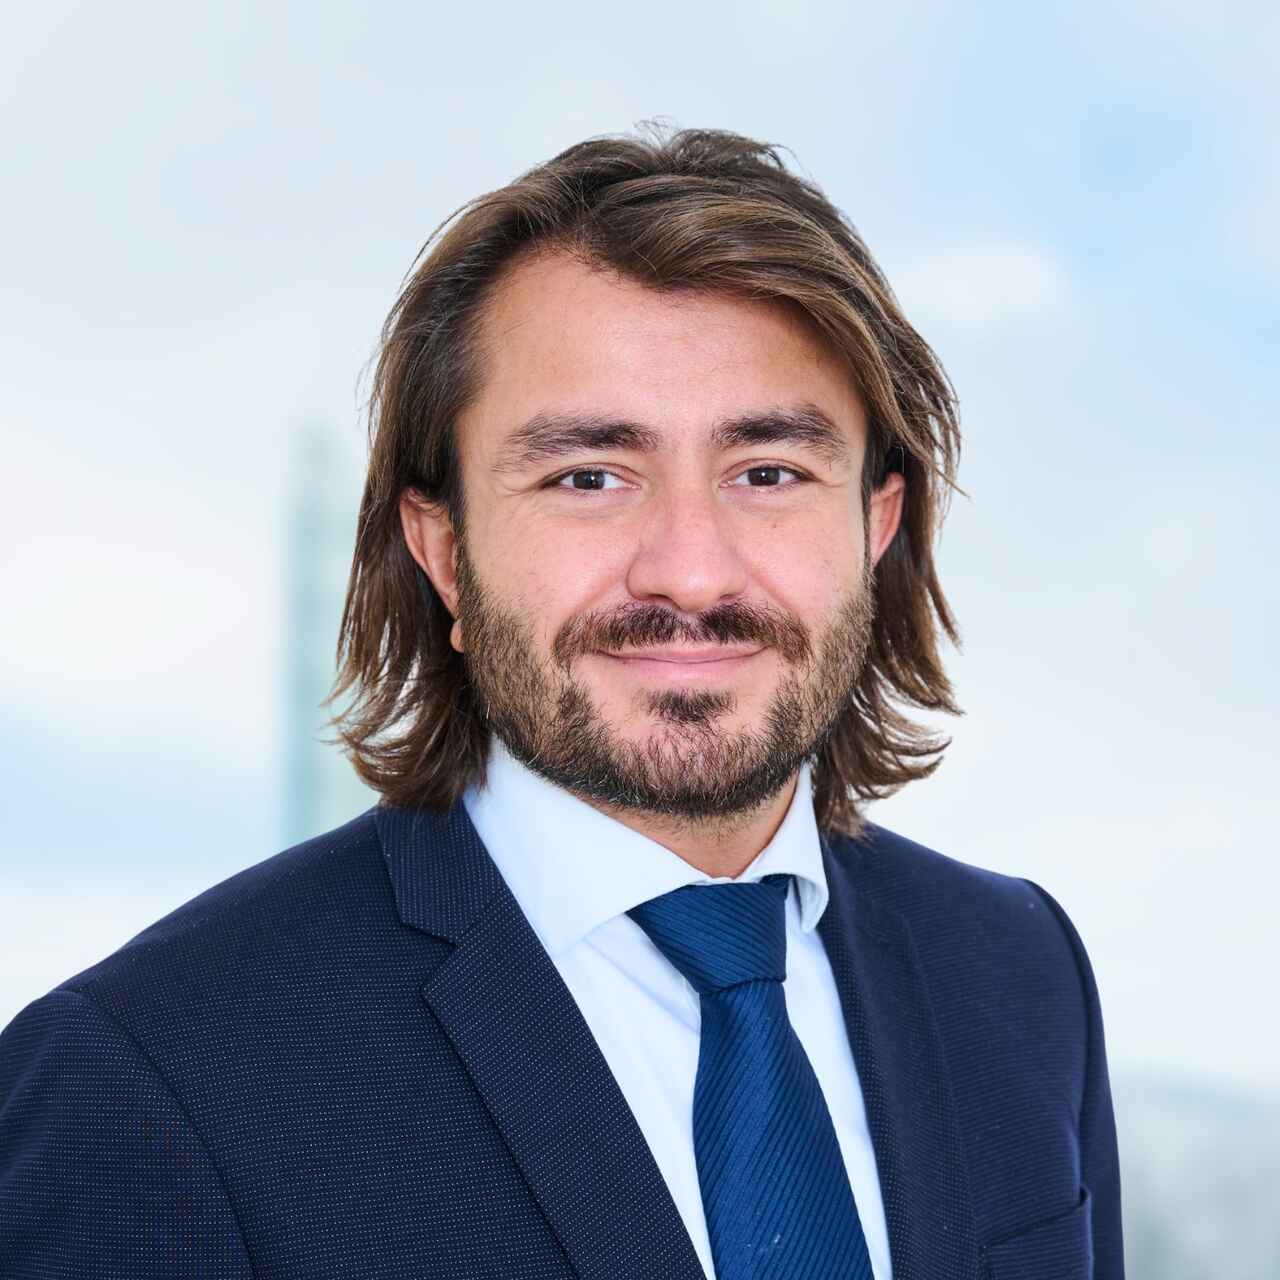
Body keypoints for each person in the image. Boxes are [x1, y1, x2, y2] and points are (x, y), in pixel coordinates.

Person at [0, 127, 1122, 1279]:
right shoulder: (146, 1081)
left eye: (767, 472)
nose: (691, 572)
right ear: (443, 548)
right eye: (587, 476)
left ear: (874, 526)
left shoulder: (1017, 971)